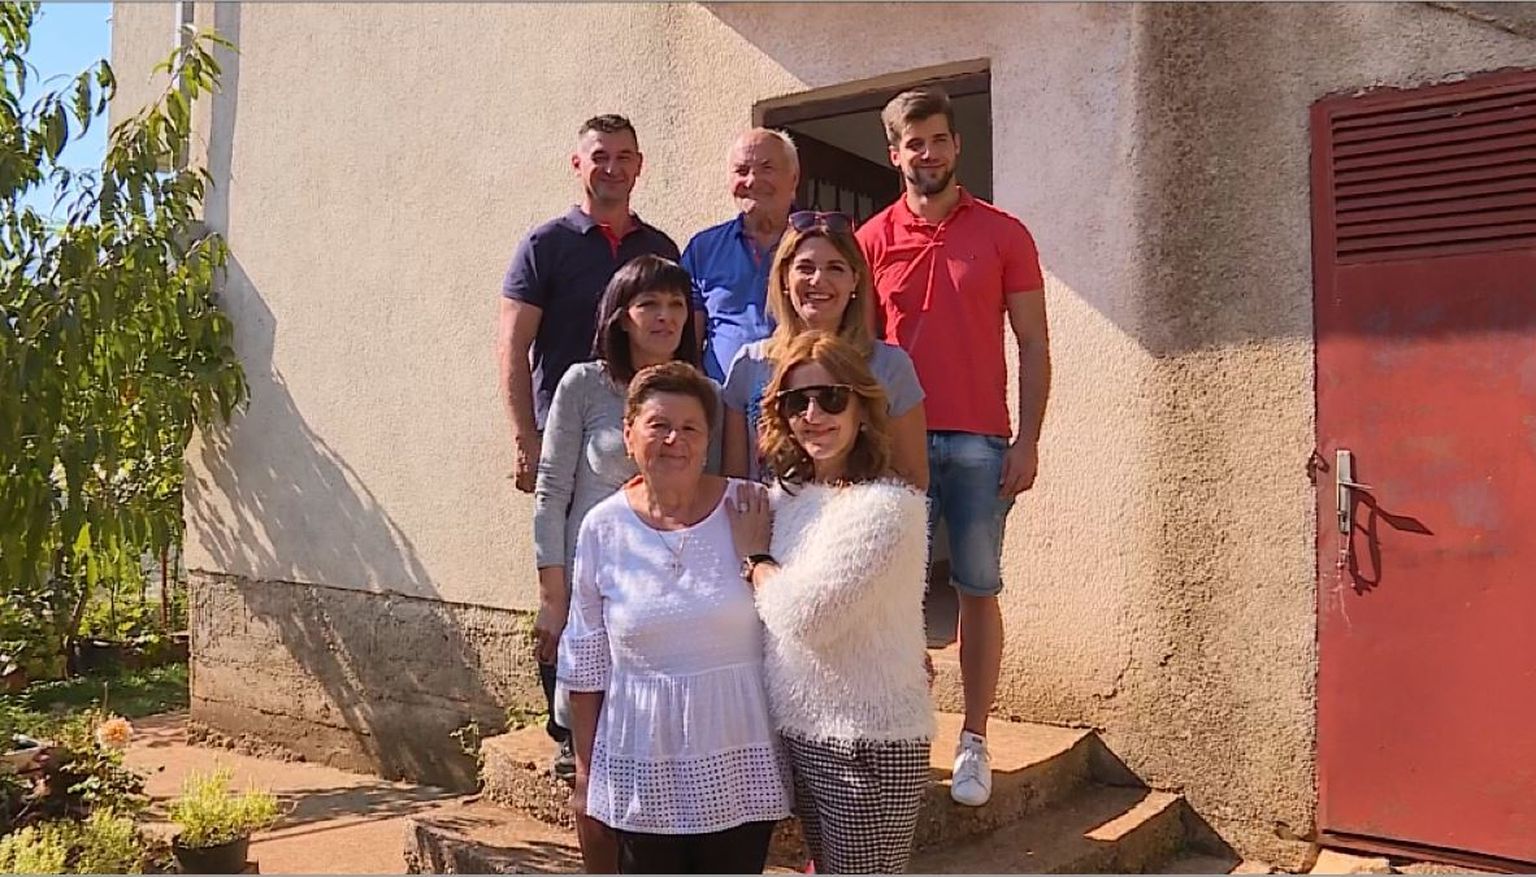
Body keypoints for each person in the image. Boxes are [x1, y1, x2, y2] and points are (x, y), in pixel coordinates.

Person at [856, 85, 1052, 807]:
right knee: (892, 596)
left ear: (956, 145)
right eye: (915, 143)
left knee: (977, 587)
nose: (929, 153)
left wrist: (1028, 440)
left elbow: (1033, 343)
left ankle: (974, 738)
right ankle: (902, 730)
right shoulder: (870, 240)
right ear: (895, 154)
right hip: (896, 446)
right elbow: (861, 354)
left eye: (939, 139)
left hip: (980, 443)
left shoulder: (1004, 233)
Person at [499, 114, 680, 779]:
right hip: (574, 429)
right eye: (600, 155)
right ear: (578, 164)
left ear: (640, 165)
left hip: (648, 426)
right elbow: (513, 344)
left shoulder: (659, 246)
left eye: (625, 156)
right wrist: (525, 434)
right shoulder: (545, 244)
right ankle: (566, 730)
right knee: (569, 583)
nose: (613, 167)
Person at [558, 362, 792, 874]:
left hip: (737, 756)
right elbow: (586, 658)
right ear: (628, 433)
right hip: (642, 760)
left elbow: (799, 609)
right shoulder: (603, 527)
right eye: (658, 425)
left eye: (690, 428)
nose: (674, 440)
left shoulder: (750, 506)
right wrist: (586, 772)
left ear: (708, 441)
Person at [533, 256, 719, 871]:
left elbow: (716, 489)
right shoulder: (583, 385)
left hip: (670, 601)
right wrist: (553, 599)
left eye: (675, 305)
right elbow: (552, 491)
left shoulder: (701, 390)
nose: (664, 317)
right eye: (649, 305)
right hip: (596, 595)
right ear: (620, 317)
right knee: (589, 769)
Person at [727, 331, 933, 874]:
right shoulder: (786, 499)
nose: (813, 415)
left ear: (863, 408)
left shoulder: (888, 508)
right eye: (797, 402)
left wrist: (757, 561)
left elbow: (805, 618)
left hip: (869, 744)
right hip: (802, 733)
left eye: (832, 398)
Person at [720, 210, 927, 487]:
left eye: (835, 268)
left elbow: (913, 480)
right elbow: (734, 483)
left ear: (855, 280)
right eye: (805, 268)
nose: (818, 280)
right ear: (784, 278)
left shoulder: (890, 365)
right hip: (769, 512)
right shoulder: (749, 363)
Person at [682, 128, 801, 382]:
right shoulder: (703, 249)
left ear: (793, 179)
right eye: (741, 171)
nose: (752, 181)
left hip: (803, 397)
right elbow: (687, 346)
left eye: (766, 168)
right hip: (721, 401)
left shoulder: (818, 244)